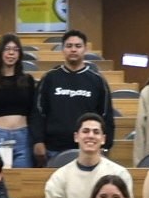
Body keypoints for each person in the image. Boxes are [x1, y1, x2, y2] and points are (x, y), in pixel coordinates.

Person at [32, 29, 114, 164]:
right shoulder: (50, 78)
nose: (73, 50)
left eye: (78, 46)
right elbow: (38, 112)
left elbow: (106, 116)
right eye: (69, 46)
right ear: (63, 50)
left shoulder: (97, 80)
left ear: (85, 49)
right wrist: (38, 141)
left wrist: (105, 146)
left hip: (88, 148)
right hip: (53, 149)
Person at [0, 33, 39, 168]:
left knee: (22, 181)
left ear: (20, 54)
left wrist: (36, 139)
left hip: (23, 136)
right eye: (7, 49)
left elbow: (33, 112)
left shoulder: (28, 80)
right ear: (0, 52)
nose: (11, 53)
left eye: (15, 50)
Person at [43, 114, 131, 198]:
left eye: (96, 132)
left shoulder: (120, 174)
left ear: (103, 139)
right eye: (85, 131)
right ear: (76, 137)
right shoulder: (59, 178)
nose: (91, 136)